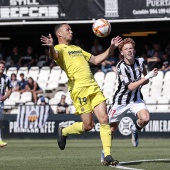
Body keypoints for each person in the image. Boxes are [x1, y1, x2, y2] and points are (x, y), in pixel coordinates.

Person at [40, 23, 122, 165]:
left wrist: (112, 47)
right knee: (88, 125)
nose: (71, 31)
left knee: (104, 119)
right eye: (68, 29)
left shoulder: (77, 49)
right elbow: (54, 55)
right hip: (79, 89)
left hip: (93, 86)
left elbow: (96, 60)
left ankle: (107, 155)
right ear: (59, 34)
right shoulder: (59, 49)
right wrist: (50, 47)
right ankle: (64, 131)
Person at [100, 38, 158, 162]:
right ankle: (105, 152)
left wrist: (149, 75)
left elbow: (145, 80)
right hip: (120, 102)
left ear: (134, 50)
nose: (129, 51)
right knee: (111, 129)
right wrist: (147, 77)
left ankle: (134, 128)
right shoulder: (121, 66)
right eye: (126, 49)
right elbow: (131, 86)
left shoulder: (140, 61)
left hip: (136, 99)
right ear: (122, 53)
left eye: (131, 48)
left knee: (145, 118)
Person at [0, 60, 12, 147]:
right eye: (0, 67)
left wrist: (6, 96)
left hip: (0, 103)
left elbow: (10, 89)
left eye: (3, 67)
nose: (1, 68)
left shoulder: (7, 78)